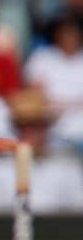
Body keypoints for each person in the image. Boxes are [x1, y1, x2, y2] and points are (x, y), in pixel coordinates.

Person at [24, 8, 83, 147]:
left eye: (73, 32)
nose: (69, 36)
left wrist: (61, 104)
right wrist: (68, 105)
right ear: (56, 33)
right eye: (65, 31)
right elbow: (36, 96)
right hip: (51, 123)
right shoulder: (42, 57)